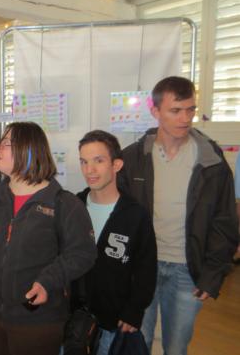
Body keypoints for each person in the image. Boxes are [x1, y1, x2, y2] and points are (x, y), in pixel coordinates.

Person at [119, 76, 239, 355]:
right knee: (139, 343)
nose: (185, 118)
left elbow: (225, 221)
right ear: (155, 111)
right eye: (176, 110)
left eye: (190, 109)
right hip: (142, 268)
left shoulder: (211, 159)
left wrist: (213, 275)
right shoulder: (132, 158)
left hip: (188, 270)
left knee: (176, 347)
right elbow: (120, 220)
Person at [0, 122, 97, 355]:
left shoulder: (64, 204)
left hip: (38, 321)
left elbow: (83, 253)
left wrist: (47, 281)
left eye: (4, 144)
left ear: (28, 150)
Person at [75, 130, 157, 355]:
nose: (89, 170)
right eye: (84, 162)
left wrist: (134, 311)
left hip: (113, 321)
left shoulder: (135, 215)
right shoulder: (73, 207)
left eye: (98, 161)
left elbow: (146, 270)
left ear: (117, 165)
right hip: (74, 318)